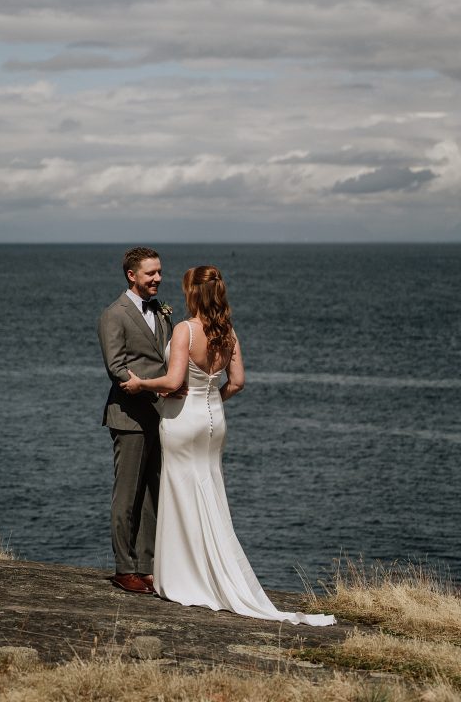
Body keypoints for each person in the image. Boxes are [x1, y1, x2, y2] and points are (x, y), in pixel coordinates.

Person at [120, 265, 335, 625]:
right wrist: (211, 397)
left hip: (182, 420)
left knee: (181, 493)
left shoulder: (186, 329)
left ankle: (185, 577)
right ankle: (214, 572)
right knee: (210, 491)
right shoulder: (228, 332)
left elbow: (173, 382)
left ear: (194, 293)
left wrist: (141, 385)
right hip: (214, 420)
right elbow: (237, 382)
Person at [98, 246, 174, 594]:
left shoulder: (160, 311)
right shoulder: (114, 314)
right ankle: (124, 568)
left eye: (159, 272)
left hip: (159, 416)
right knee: (126, 496)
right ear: (132, 275)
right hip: (129, 416)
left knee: (152, 495)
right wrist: (156, 390)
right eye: (150, 273)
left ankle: (146, 565)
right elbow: (116, 367)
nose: (158, 278)